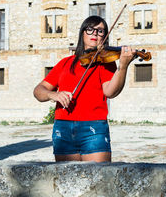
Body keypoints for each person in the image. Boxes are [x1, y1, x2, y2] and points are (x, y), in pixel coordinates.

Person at [33, 15, 136, 162]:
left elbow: (110, 92)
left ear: (104, 37)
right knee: (66, 180)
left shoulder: (106, 63)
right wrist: (53, 95)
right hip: (63, 128)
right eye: (90, 29)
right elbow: (38, 91)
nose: (95, 33)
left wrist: (123, 66)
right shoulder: (65, 63)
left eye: (100, 31)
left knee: (99, 179)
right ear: (82, 33)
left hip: (94, 127)